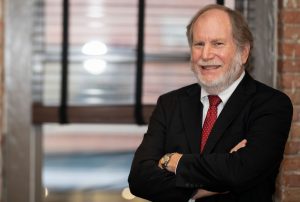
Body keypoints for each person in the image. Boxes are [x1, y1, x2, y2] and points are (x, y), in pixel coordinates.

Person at [128, 4, 293, 202]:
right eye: (199, 44)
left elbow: (241, 171)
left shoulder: (271, 105)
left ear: (243, 52)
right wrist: (203, 188)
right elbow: (139, 178)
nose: (205, 55)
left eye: (217, 44)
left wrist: (172, 161)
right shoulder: (170, 104)